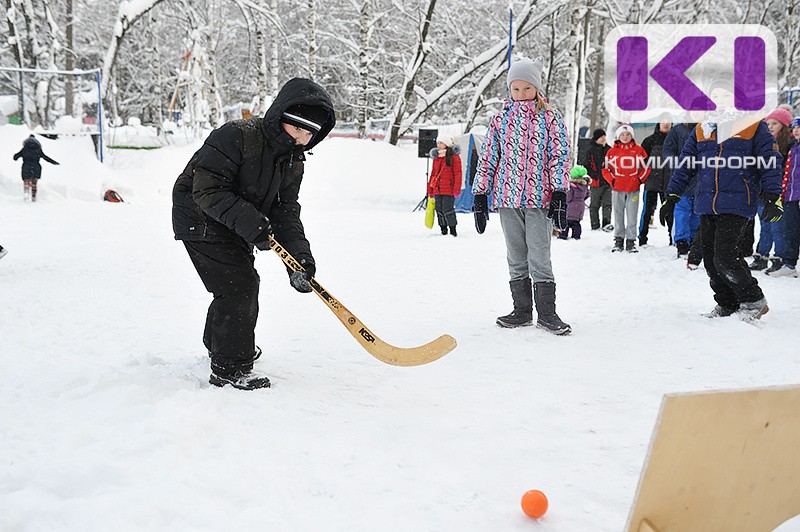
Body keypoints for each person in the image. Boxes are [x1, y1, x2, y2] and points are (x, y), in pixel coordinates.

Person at [172, 78, 335, 390]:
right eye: (297, 128)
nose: (302, 138)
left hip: (234, 222)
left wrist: (299, 259)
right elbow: (206, 189)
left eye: (310, 133)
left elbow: (285, 210)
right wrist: (250, 221)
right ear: (280, 116)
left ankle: (221, 344)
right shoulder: (237, 135)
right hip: (198, 216)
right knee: (239, 284)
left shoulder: (292, 160)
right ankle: (229, 367)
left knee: (237, 282)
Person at [472, 57, 572, 335]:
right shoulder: (501, 119)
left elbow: (559, 155)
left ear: (537, 88)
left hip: (540, 198)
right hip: (507, 198)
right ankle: (522, 310)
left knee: (539, 256)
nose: (521, 94)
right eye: (515, 89)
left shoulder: (550, 117)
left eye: (526, 88)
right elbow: (489, 157)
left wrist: (560, 190)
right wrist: (480, 193)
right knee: (516, 256)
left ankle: (548, 314)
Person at [665, 114, 783, 319]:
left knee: (726, 255)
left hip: (737, 201)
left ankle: (753, 299)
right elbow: (686, 163)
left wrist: (773, 196)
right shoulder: (703, 129)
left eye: (725, 95)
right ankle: (727, 303)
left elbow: (770, 160)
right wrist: (672, 194)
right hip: (707, 202)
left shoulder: (752, 126)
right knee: (710, 259)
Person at [749, 107, 793, 273]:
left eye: (775, 123)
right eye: (768, 123)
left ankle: (779, 257)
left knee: (777, 227)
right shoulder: (762, 142)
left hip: (780, 191)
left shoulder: (788, 145)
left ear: (784, 125)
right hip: (762, 190)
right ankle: (762, 255)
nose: (770, 126)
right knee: (764, 224)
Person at [602, 124, 651, 253]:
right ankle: (618, 240)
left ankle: (630, 241)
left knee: (632, 215)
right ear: (618, 136)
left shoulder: (639, 150)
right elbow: (605, 169)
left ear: (632, 136)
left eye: (628, 134)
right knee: (618, 214)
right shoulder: (612, 152)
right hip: (617, 188)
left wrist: (640, 179)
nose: (625, 137)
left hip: (633, 188)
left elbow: (646, 167)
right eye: (622, 135)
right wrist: (612, 180)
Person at [767, 114, 800, 277]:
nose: (797, 130)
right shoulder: (793, 147)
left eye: (799, 127)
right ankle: (790, 263)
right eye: (795, 127)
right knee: (791, 230)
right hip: (790, 196)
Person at [639, 121, 672, 247]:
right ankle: (642, 239)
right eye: (663, 121)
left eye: (668, 121)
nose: (666, 124)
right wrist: (644, 177)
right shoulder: (649, 141)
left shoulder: (675, 140)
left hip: (669, 184)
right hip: (651, 183)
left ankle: (672, 239)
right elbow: (641, 161)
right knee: (647, 212)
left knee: (670, 213)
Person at [427, 135, 462, 236]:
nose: (439, 145)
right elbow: (433, 174)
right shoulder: (437, 157)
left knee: (448, 209)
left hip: (449, 188)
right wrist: (430, 189)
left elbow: (458, 174)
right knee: (439, 209)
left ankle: (452, 229)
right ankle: (443, 229)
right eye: (438, 143)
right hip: (437, 188)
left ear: (446, 144)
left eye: (441, 143)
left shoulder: (454, 157)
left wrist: (456, 189)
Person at [13, 134, 59, 202]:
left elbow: (15, 157)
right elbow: (46, 158)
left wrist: (17, 156)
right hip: (36, 168)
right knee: (34, 183)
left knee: (26, 181)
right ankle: (34, 197)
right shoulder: (38, 150)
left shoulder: (24, 149)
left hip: (26, 167)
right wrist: (54, 162)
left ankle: (26, 192)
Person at [581, 128, 612, 231]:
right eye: (600, 137)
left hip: (608, 182)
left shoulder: (609, 149)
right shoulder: (591, 150)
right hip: (596, 182)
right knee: (594, 205)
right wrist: (595, 175)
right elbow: (586, 166)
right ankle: (595, 225)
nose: (603, 138)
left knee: (607, 204)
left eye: (604, 136)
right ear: (596, 139)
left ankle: (606, 224)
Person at [558, 166, 590, 240]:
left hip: (571, 206)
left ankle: (563, 235)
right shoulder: (584, 185)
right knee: (576, 223)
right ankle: (576, 236)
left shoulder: (572, 186)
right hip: (580, 206)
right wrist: (581, 200)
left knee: (566, 222)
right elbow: (588, 194)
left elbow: (569, 197)